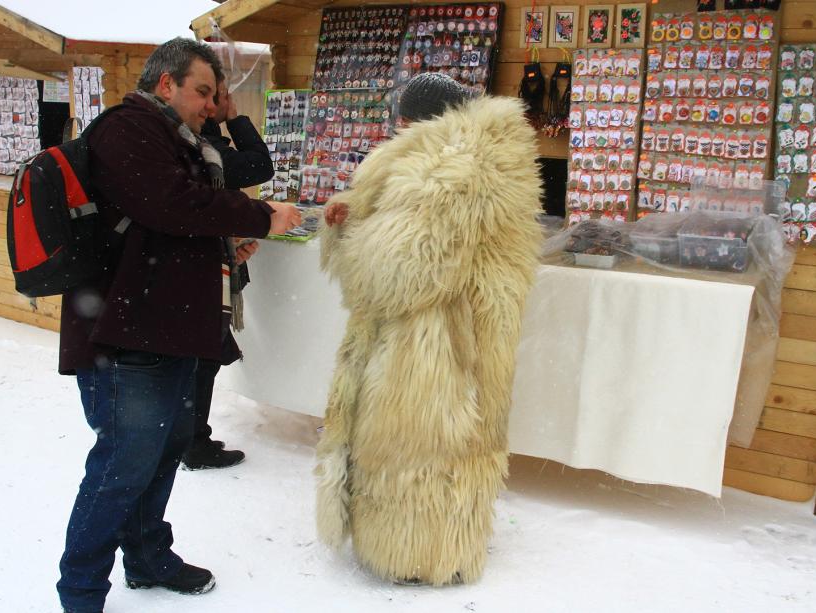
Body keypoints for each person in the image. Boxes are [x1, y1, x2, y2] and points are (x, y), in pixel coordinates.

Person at [56, 38, 301, 613]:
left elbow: (167, 227)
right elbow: (171, 204)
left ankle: (146, 556)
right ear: (165, 83)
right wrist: (261, 215)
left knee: (163, 452)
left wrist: (223, 248)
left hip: (165, 329)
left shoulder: (177, 138)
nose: (211, 106)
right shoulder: (127, 128)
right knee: (122, 465)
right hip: (124, 335)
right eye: (202, 92)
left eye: (215, 96)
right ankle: (81, 591)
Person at [314, 72, 544, 585]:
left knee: (415, 448)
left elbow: (397, 270)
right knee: (450, 449)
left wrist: (355, 235)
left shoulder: (450, 166)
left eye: (407, 120)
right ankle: (437, 549)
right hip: (457, 334)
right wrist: (359, 216)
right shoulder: (481, 156)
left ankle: (414, 555)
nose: (399, 129)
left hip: (432, 341)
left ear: (427, 120)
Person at [181, 77, 276, 470]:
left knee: (202, 358)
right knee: (201, 358)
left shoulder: (202, 141)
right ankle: (191, 442)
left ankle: (189, 437)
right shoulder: (207, 148)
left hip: (210, 265)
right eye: (217, 96)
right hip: (204, 273)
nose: (224, 102)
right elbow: (259, 165)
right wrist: (235, 118)